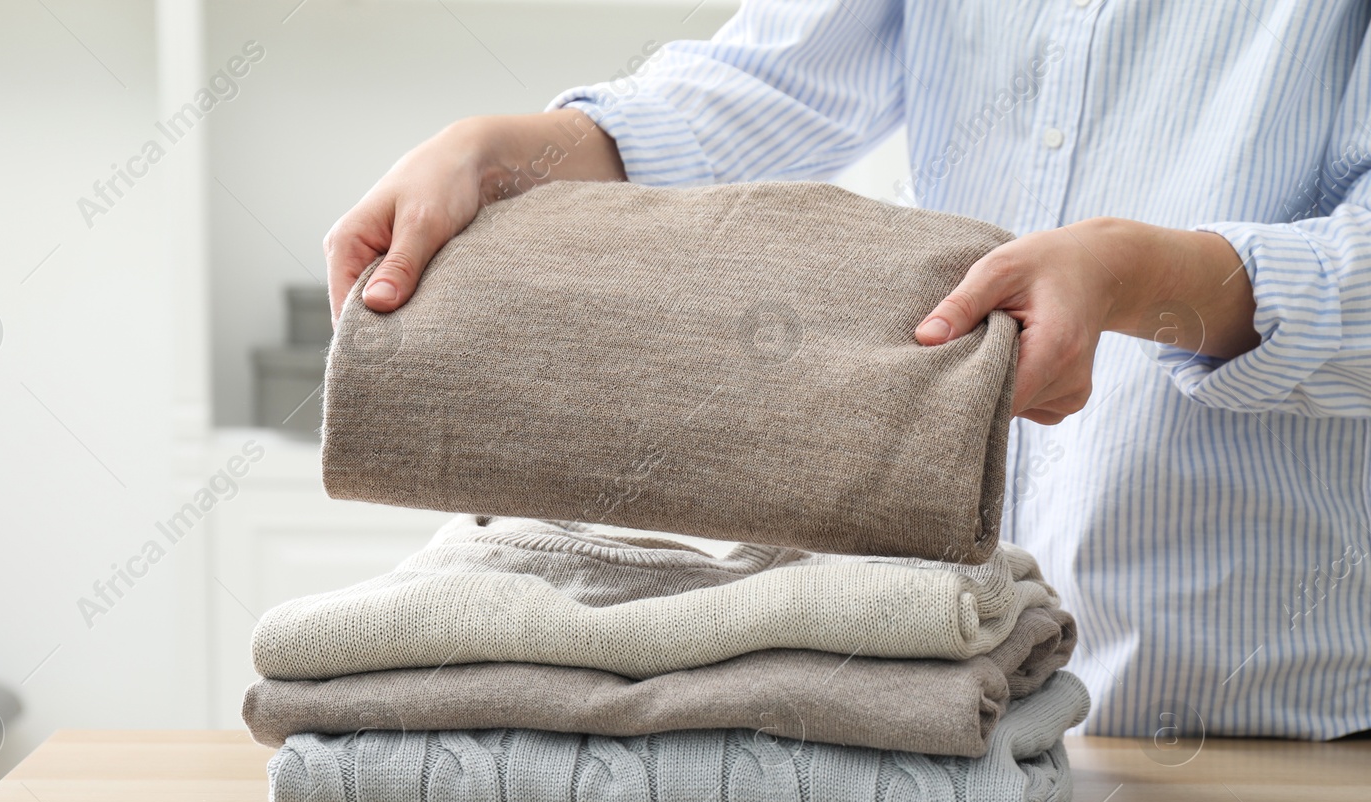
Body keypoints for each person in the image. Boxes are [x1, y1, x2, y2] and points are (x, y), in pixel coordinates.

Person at [324, 1, 1371, 740]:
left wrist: (1148, 278)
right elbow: (770, 82)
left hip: (1259, 714)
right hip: (955, 694)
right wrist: (512, 150)